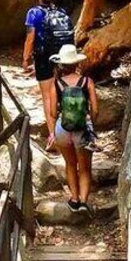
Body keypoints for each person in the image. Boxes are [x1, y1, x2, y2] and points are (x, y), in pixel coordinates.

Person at [22, 0, 74, 150]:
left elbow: (30, 38)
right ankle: (71, 134)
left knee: (47, 96)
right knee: (63, 93)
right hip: (63, 57)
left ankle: (54, 137)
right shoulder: (62, 12)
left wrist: (25, 59)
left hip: (44, 58)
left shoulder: (33, 13)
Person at [48, 44, 99, 213]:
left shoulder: (56, 83)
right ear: (77, 63)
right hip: (82, 129)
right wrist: (91, 124)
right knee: (84, 168)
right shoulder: (87, 82)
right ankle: (84, 202)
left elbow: (52, 112)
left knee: (70, 164)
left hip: (63, 129)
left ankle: (74, 199)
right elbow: (95, 109)